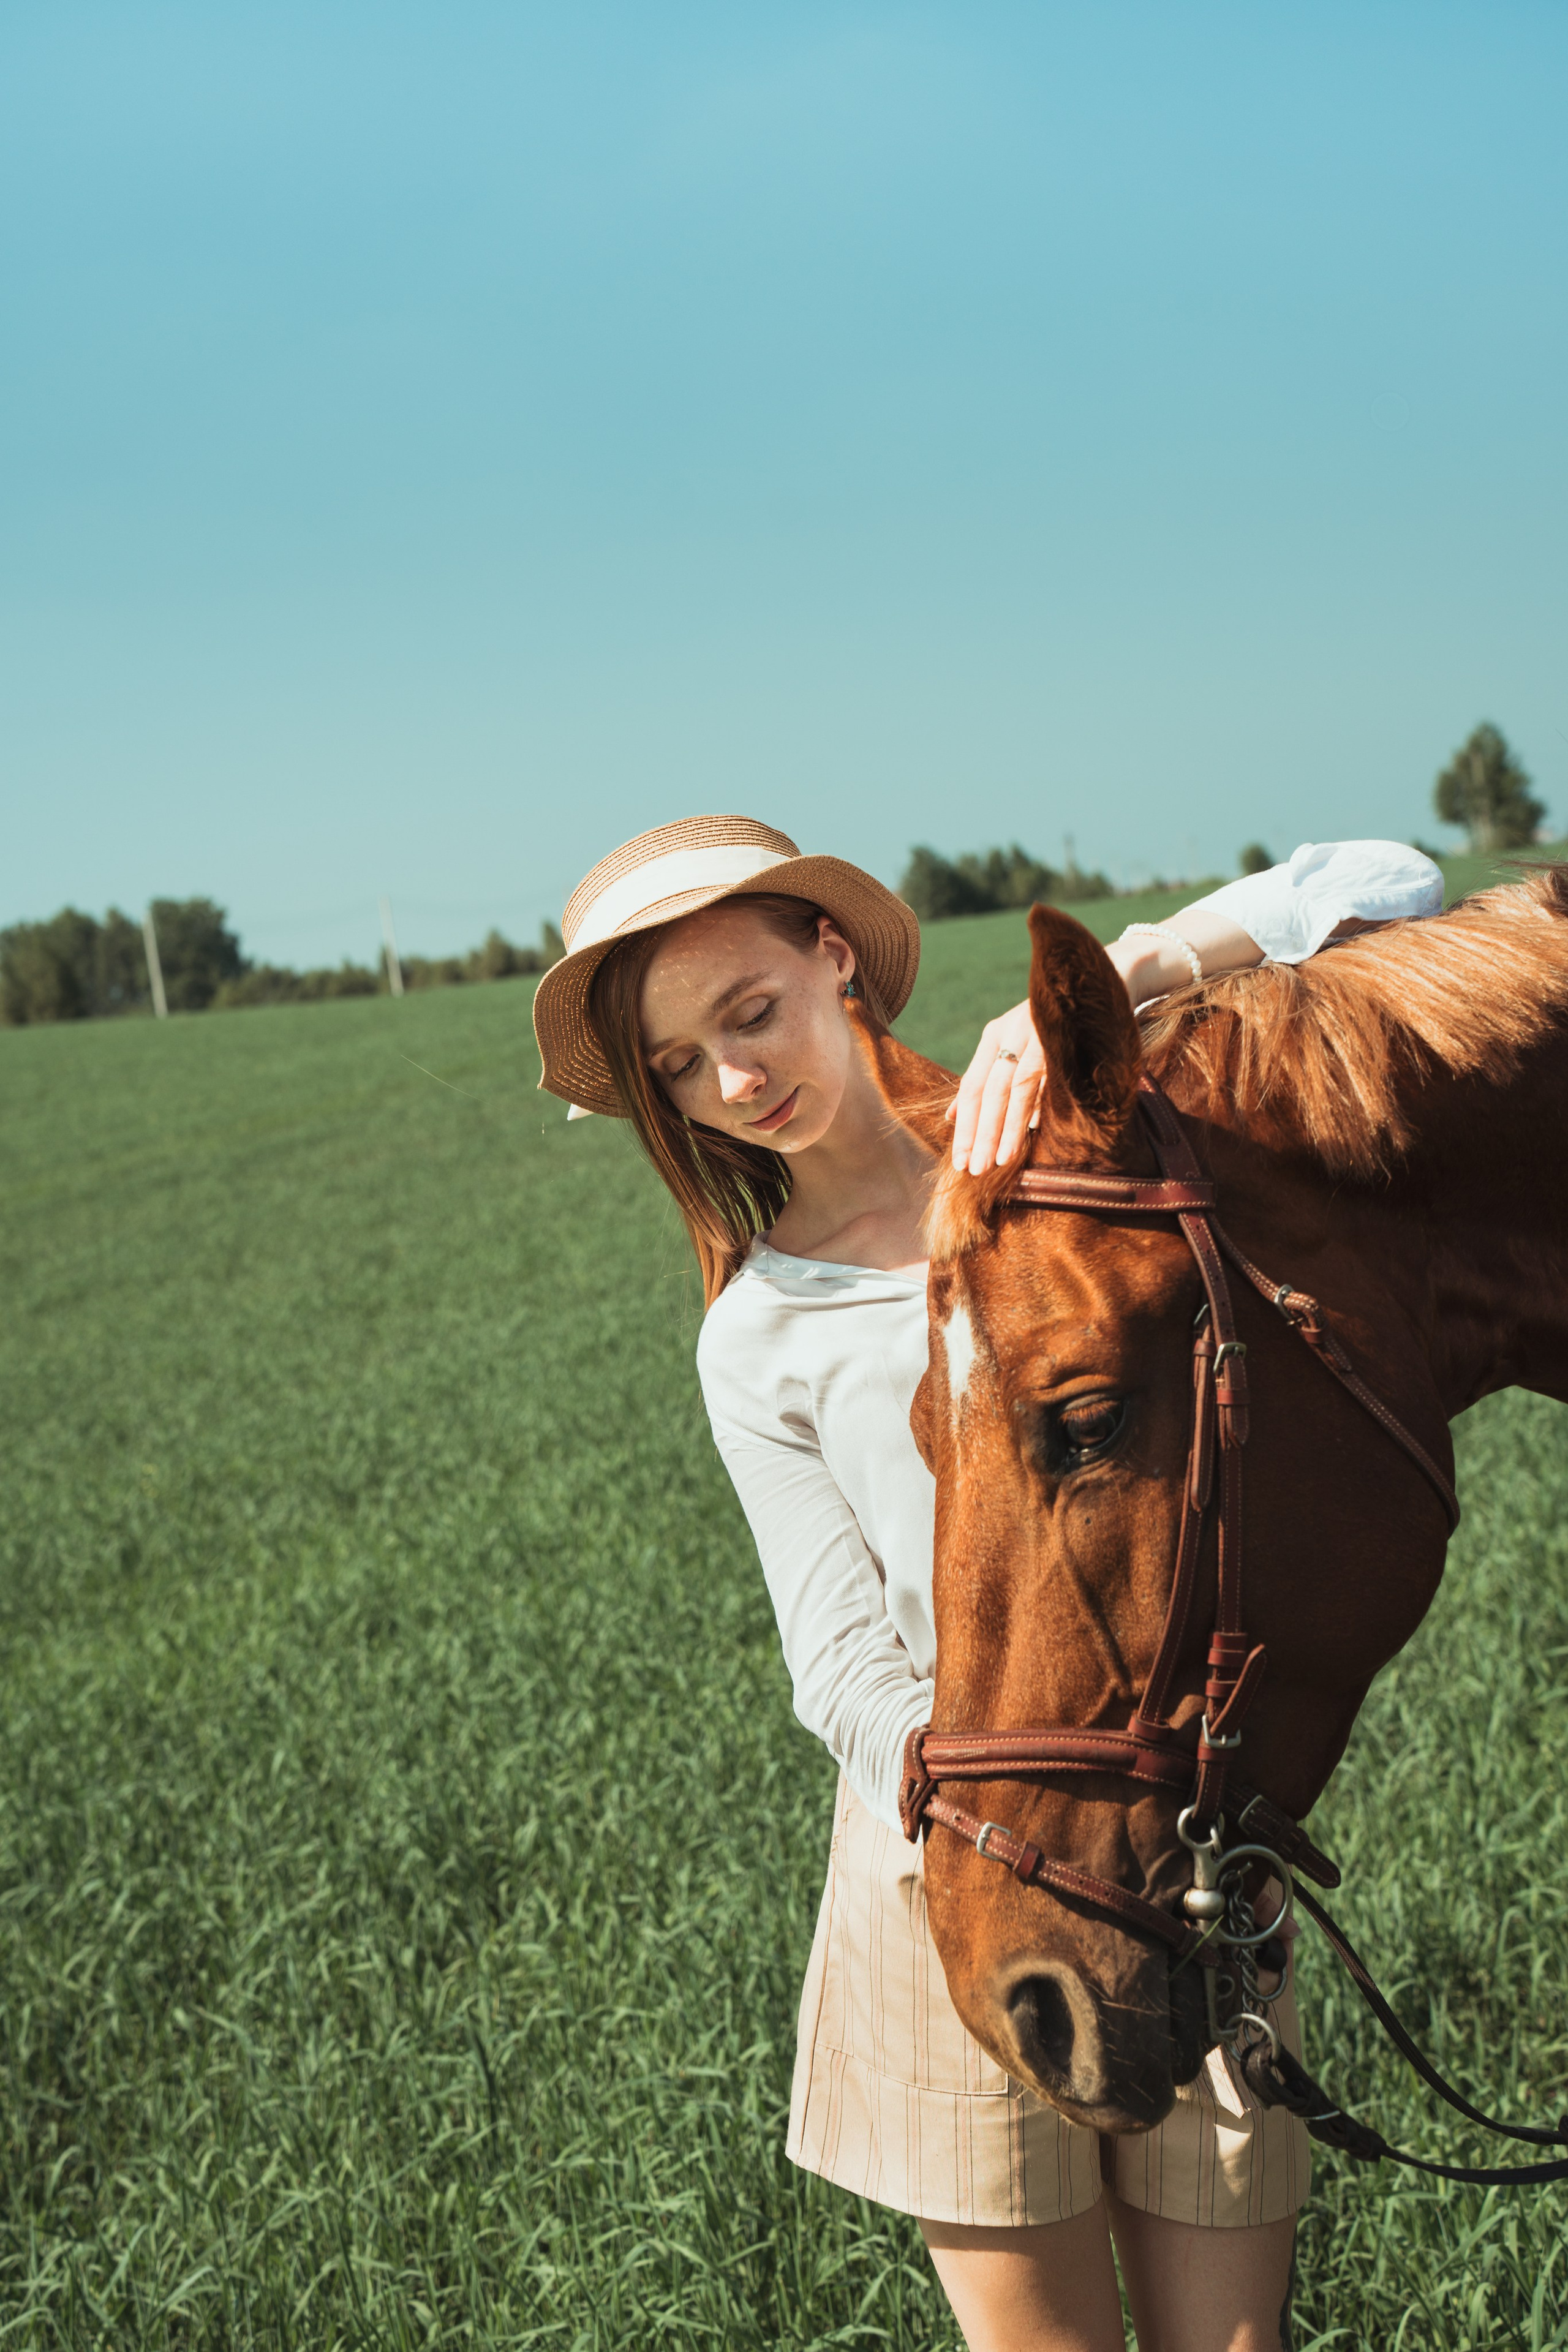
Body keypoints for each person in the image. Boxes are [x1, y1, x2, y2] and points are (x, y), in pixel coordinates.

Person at [533, 818, 1442, 2352]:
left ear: (833, 956)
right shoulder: (755, 1337)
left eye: (750, 1012)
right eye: (682, 1066)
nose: (736, 1082)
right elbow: (836, 1665)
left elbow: (1388, 883)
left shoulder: (1056, 1165)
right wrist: (1011, 1816)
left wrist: (1130, 971)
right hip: (952, 1886)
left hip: (1177, 1842)